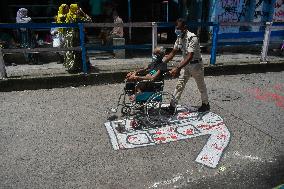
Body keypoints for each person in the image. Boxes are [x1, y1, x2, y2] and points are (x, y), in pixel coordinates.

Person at [163, 18, 210, 112]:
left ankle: (206, 104)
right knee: (179, 85)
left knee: (201, 86)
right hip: (185, 65)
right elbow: (173, 53)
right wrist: (162, 63)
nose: (177, 30)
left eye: (179, 28)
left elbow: (190, 56)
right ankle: (172, 106)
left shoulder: (193, 38)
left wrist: (177, 68)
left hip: (196, 65)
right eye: (176, 28)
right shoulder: (179, 38)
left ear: (185, 27)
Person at [64, 4, 92, 73]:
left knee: (72, 52)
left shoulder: (68, 16)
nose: (78, 10)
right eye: (77, 9)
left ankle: (72, 67)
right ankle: (78, 67)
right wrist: (83, 13)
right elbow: (89, 20)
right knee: (79, 52)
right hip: (77, 37)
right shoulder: (76, 18)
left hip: (69, 38)